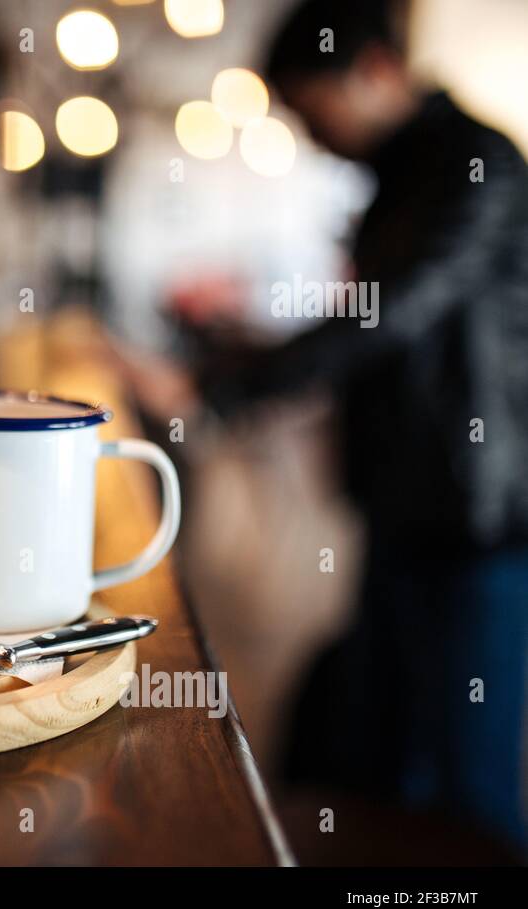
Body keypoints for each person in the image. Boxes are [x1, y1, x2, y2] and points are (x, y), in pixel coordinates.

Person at [175, 0, 528, 850]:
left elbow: (388, 312)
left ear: (372, 70)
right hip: (406, 498)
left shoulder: (479, 163)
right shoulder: (408, 172)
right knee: (389, 755)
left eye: (308, 106)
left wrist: (226, 391)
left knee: (466, 779)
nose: (307, 130)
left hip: (476, 509)